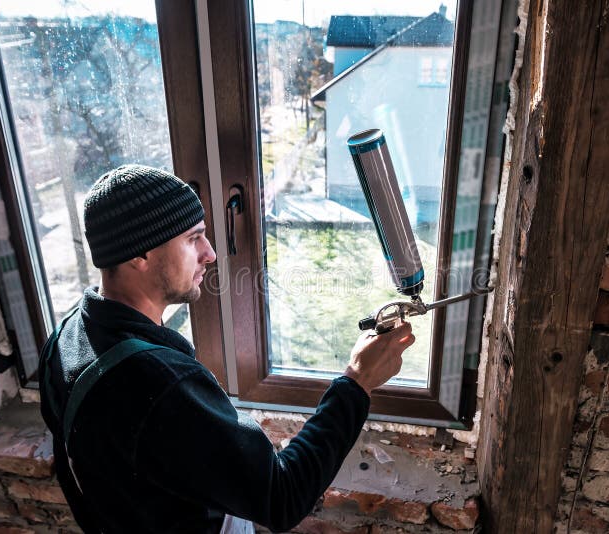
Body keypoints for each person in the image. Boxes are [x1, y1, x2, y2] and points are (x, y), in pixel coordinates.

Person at [38, 164, 415, 533]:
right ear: (139, 253)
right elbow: (284, 496)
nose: (210, 253)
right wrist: (357, 381)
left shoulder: (65, 338)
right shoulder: (159, 384)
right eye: (193, 239)